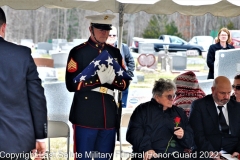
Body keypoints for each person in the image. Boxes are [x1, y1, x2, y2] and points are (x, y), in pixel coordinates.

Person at [65, 14, 130, 160]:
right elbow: (70, 84)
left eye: (107, 29)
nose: (104, 33)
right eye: (100, 29)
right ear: (91, 29)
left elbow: (125, 82)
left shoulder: (114, 53)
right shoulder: (78, 52)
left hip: (108, 113)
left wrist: (112, 80)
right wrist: (97, 79)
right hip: (85, 114)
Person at [0, 7, 47, 160]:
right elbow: (37, 99)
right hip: (15, 141)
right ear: (4, 27)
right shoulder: (21, 55)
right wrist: (41, 136)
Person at [126, 78, 194, 160]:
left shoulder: (179, 112)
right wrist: (147, 148)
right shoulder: (142, 110)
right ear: (157, 97)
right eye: (169, 96)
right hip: (149, 154)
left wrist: (183, 135)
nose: (172, 99)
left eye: (174, 96)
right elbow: (134, 133)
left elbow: (190, 140)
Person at [189, 76, 240, 160]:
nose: (227, 97)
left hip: (232, 152)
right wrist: (212, 153)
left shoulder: (237, 107)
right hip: (207, 151)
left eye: (229, 93)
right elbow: (197, 135)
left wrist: (238, 151)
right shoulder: (199, 106)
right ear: (213, 90)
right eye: (223, 93)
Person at [106, 26, 135, 108]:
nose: (112, 37)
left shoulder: (123, 47)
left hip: (122, 77)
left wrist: (129, 74)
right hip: (107, 79)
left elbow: (131, 61)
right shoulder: (101, 47)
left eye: (114, 35)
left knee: (122, 102)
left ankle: (122, 110)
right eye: (110, 35)